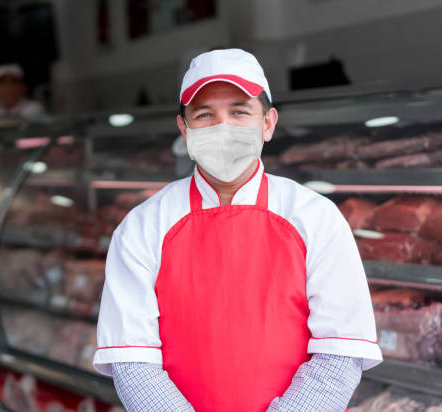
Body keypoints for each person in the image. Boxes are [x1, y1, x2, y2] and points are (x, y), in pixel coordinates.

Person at [94, 49, 382, 412]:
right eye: (204, 115)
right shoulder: (143, 225)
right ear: (184, 129)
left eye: (239, 111)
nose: (223, 127)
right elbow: (133, 362)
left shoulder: (315, 217)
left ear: (268, 123)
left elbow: (340, 355)